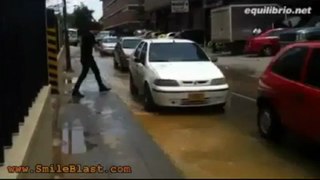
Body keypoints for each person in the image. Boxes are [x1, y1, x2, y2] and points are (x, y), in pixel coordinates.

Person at [72, 28, 110, 98]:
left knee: (96, 71)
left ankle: (101, 86)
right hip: (88, 58)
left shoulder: (85, 35)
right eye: (98, 31)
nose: (98, 33)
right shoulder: (90, 35)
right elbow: (95, 47)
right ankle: (75, 90)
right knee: (84, 74)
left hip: (85, 57)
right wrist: (104, 51)